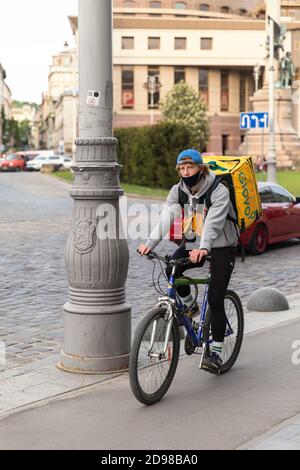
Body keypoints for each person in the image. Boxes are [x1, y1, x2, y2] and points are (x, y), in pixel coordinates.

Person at [138, 149, 238, 374]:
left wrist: (204, 247)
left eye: (190, 168)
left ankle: (215, 353)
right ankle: (190, 309)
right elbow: (167, 216)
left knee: (215, 298)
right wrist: (149, 244)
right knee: (172, 265)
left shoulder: (218, 189)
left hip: (222, 245)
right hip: (195, 239)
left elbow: (213, 221)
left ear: (200, 169)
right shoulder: (178, 190)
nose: (186, 172)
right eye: (182, 169)